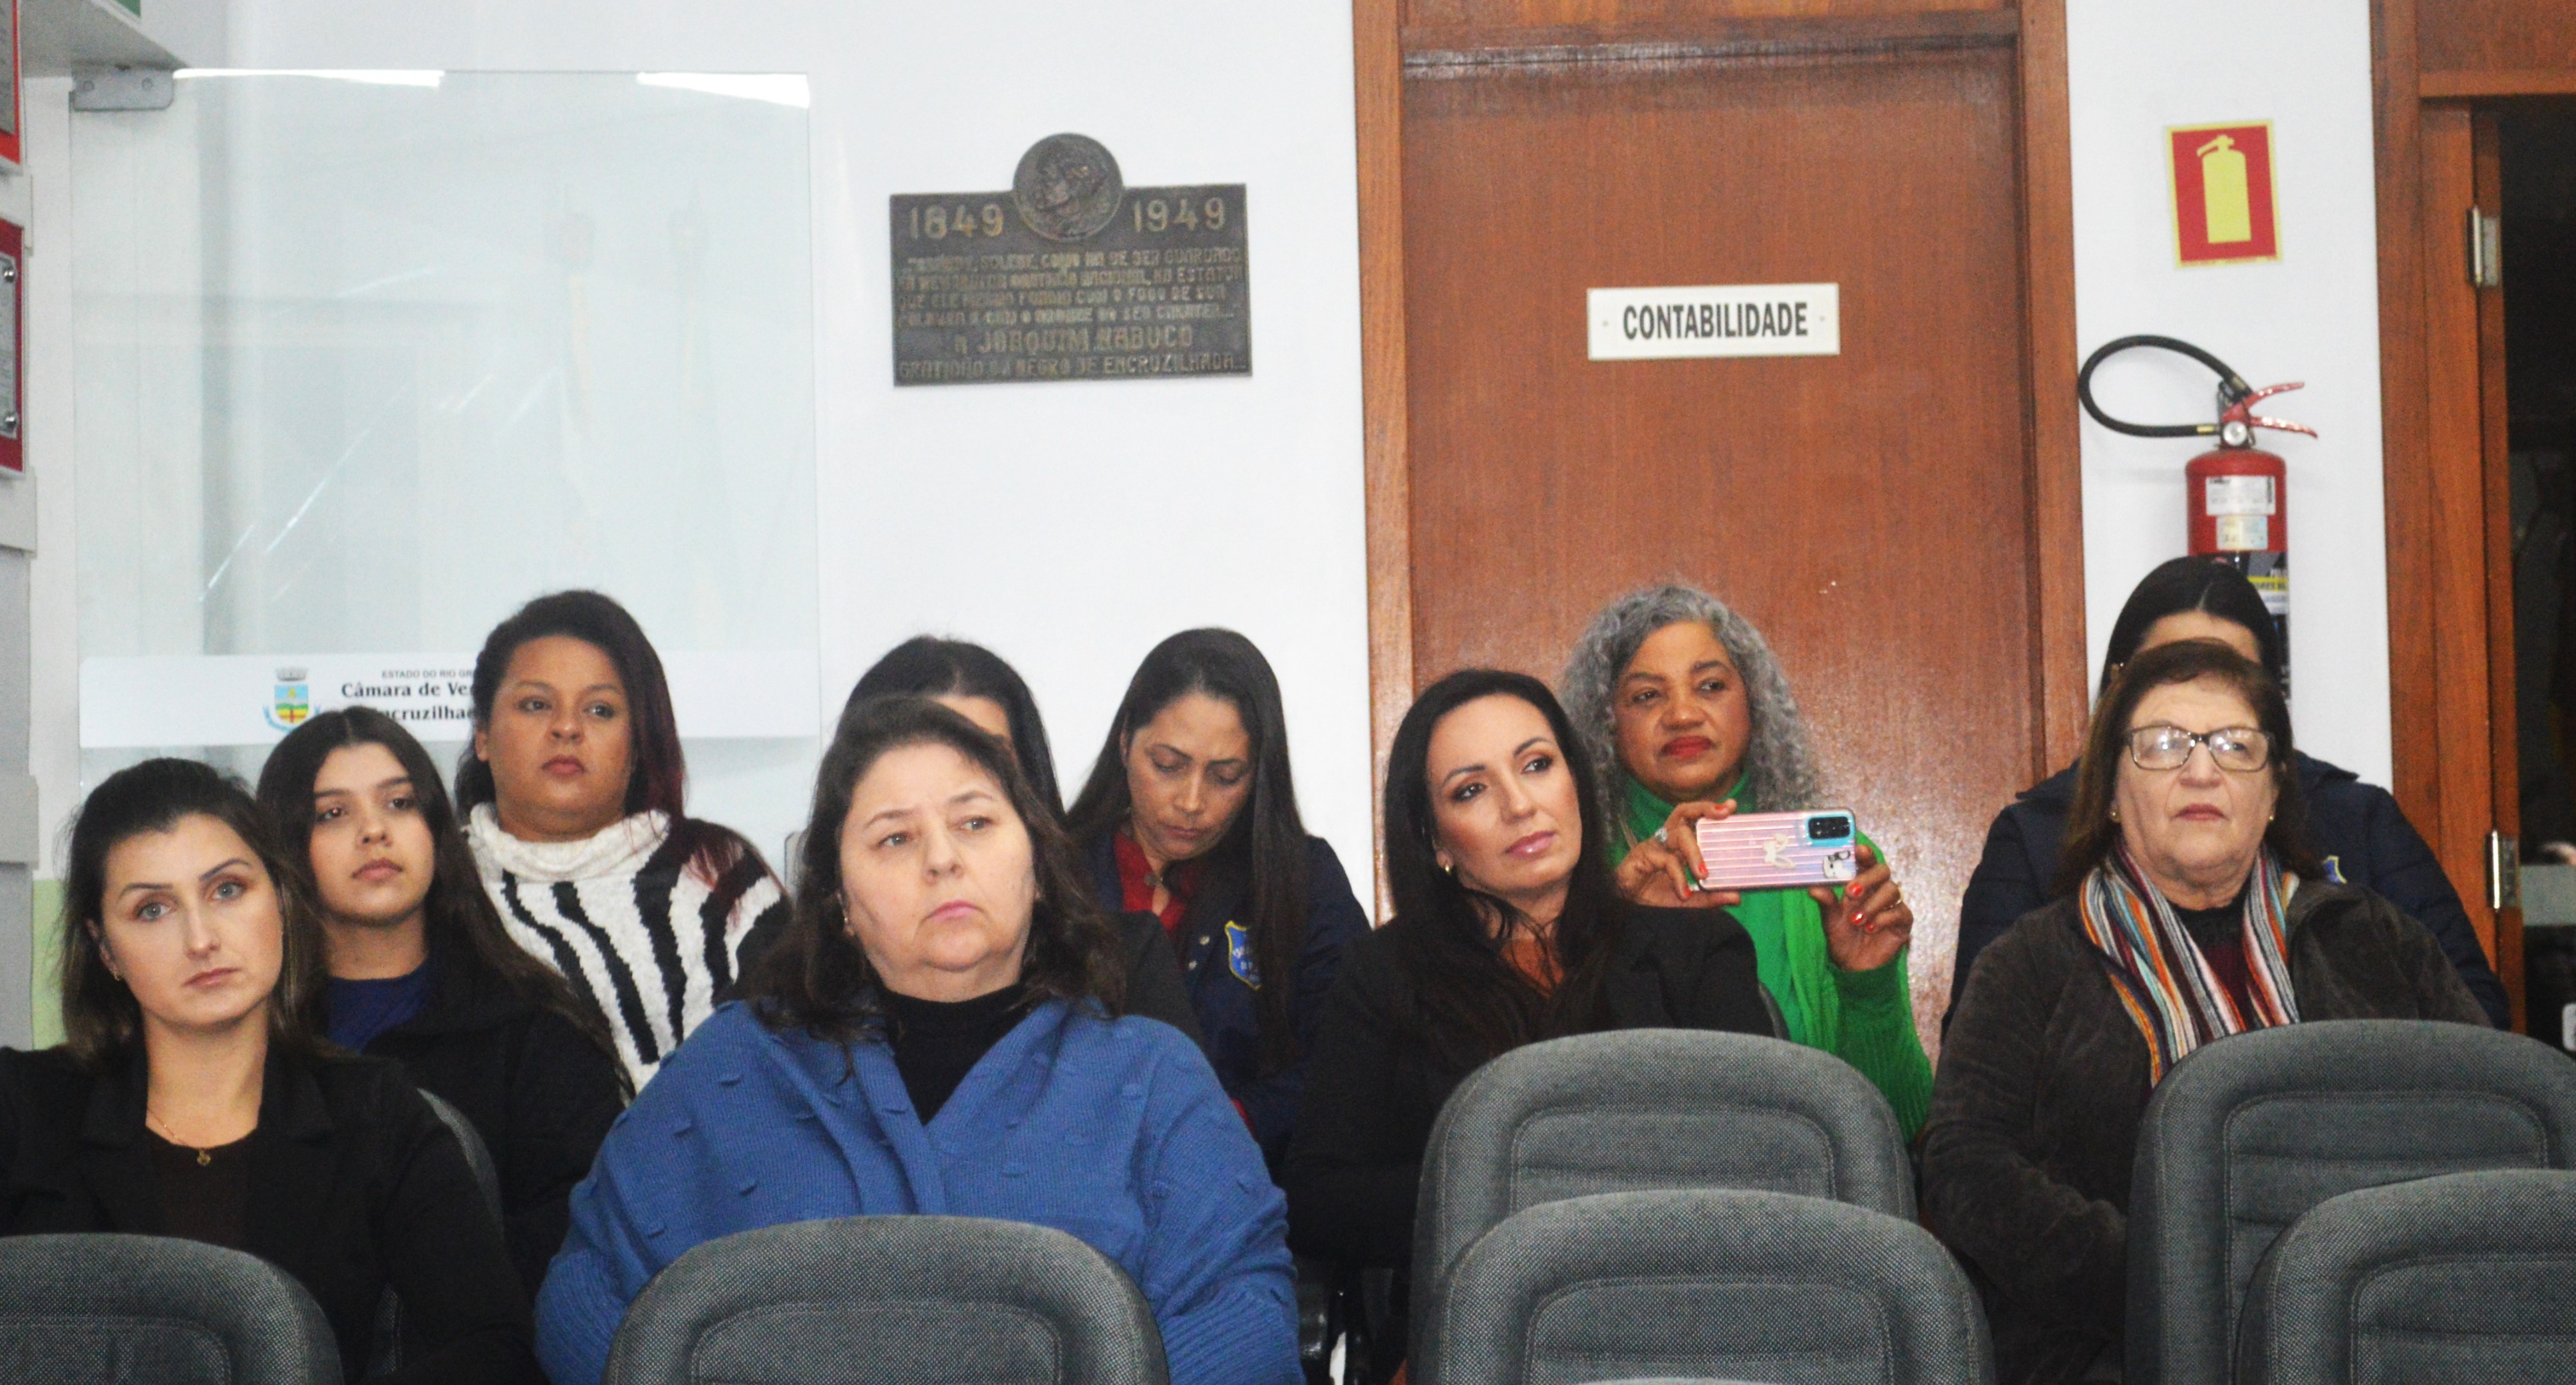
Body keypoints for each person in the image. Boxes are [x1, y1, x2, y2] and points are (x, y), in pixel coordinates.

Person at [536, 697, 1298, 1385]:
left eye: (975, 824)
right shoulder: (729, 1067)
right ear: (840, 901)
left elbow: (1246, 1315)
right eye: (894, 837)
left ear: (1036, 865)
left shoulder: (1153, 1075)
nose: (941, 859)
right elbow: (583, 1291)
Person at [1922, 640, 2486, 1384]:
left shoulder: (2376, 939)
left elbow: (2486, 1122)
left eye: (2234, 746)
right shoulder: (2031, 962)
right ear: (2110, 790)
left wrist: (2350, 1283)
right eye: (2162, 745)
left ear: (2273, 791)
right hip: (2113, 1351)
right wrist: (2171, 1282)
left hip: (2374, 1344)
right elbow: (1963, 1166)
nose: (2200, 770)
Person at [0, 759, 538, 1383]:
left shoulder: (375, 1115)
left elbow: (494, 1350)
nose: (201, 939)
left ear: (280, 898)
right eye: (152, 910)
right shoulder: (22, 1108)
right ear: (106, 950)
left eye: (227, 890)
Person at [1282, 670, 1772, 1322]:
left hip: (1681, 1312)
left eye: (1536, 765)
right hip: (1479, 1319)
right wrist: (1505, 1188)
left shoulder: (1696, 949)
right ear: (1434, 839)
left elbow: (1763, 1153)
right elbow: (1320, 1199)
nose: (1519, 805)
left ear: (1576, 782)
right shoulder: (1383, 975)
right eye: (1471, 790)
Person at [1954, 557, 2506, 1026]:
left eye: (2230, 676)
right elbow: (1981, 1052)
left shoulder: (2357, 821)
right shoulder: (2034, 837)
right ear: (2120, 691)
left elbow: (2477, 1028)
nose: (2202, 696)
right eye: (2173, 672)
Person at [255, 708, 631, 1298]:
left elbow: (581, 1242)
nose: (374, 831)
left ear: (436, 829)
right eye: (333, 814)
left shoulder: (537, 1029)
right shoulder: (250, 1035)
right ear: (285, 847)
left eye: (399, 803)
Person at [1559, 583, 1933, 1136]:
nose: (1682, 714)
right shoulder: (1575, 873)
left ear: (1754, 704)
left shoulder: (1839, 866)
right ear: (1606, 723)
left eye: (1710, 686)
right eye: (1647, 696)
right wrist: (1613, 925)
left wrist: (1869, 989)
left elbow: (1899, 1126)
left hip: (1802, 1182)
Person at [456, 590, 788, 1088]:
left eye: (600, 710)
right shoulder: (436, 886)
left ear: (637, 742)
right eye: (536, 705)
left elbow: (788, 1070)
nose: (566, 728)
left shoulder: (718, 875)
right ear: (483, 734)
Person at [1066, 629, 1368, 1161]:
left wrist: (1230, 1122)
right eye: (1168, 765)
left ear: (1258, 774)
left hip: (1247, 1178)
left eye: (1226, 776)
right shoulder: (1056, 872)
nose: (1191, 801)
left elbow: (1351, 1060)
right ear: (1125, 743)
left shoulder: (1302, 879)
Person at [836, 635, 1204, 1045]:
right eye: (897, 836)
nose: (942, 854)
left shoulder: (1127, 962)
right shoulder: (788, 1027)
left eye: (986, 763)